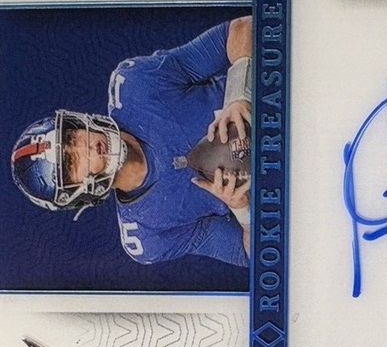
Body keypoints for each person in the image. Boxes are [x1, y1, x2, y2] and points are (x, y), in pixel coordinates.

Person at [10, 16, 252, 268]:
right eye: (71, 162)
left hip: (276, 99)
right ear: (76, 193)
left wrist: (239, 94)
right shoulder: (146, 234)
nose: (85, 146)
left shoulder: (135, 85)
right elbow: (251, 254)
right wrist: (243, 209)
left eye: (72, 137)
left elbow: (243, 28)